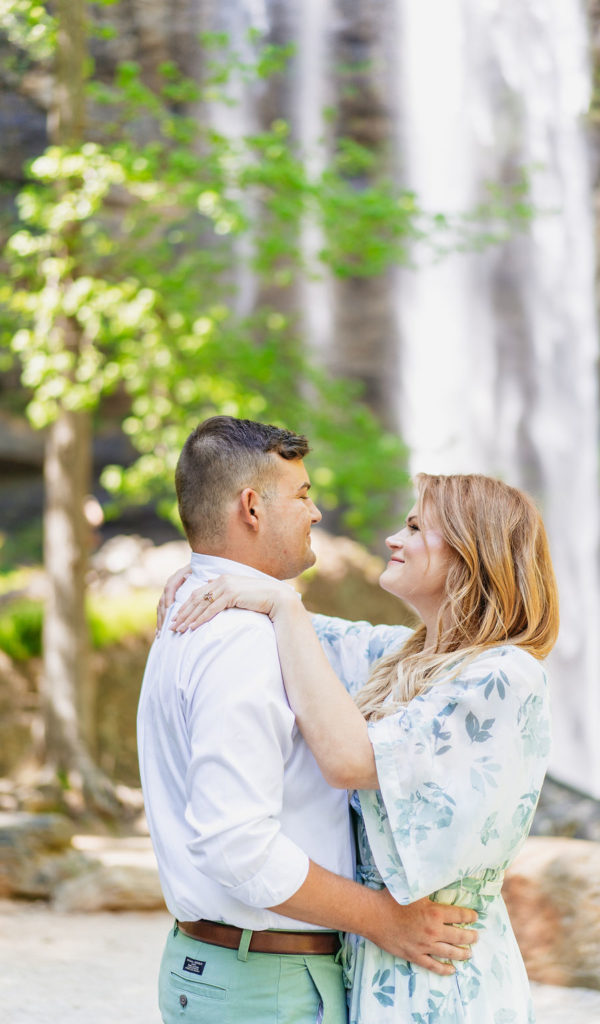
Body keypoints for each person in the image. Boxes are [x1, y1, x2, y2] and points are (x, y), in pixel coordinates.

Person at [163, 471, 560, 1024]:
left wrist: (282, 602)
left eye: (417, 527)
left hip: (439, 973)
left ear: (475, 554)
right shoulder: (403, 657)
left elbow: (351, 760)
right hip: (373, 961)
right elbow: (296, 629)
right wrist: (212, 571)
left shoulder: (504, 677)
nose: (395, 539)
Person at [139, 415, 478, 1024]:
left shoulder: (204, 616)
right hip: (264, 985)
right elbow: (236, 845)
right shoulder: (241, 640)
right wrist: (386, 921)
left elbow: (391, 652)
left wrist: (220, 577)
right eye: (302, 495)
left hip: (228, 971)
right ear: (251, 507)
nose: (315, 513)